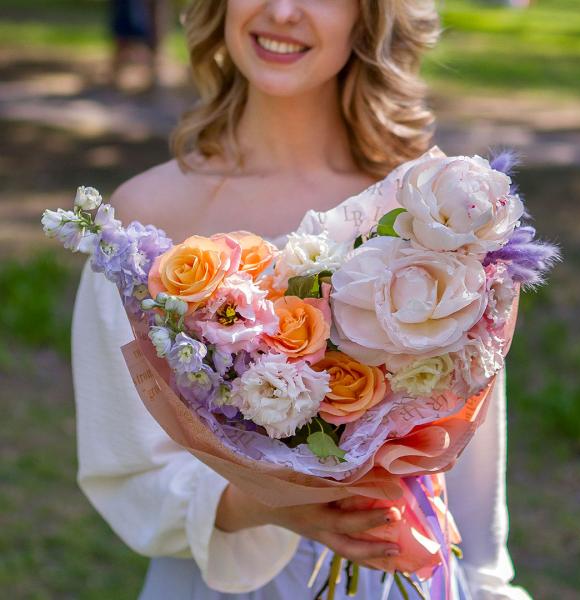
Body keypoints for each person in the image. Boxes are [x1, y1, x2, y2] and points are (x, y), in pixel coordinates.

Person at [72, 1, 532, 598]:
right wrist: (267, 504)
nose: (283, 11)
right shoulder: (143, 224)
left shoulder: (436, 209)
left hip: (397, 575)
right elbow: (126, 469)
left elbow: (468, 473)